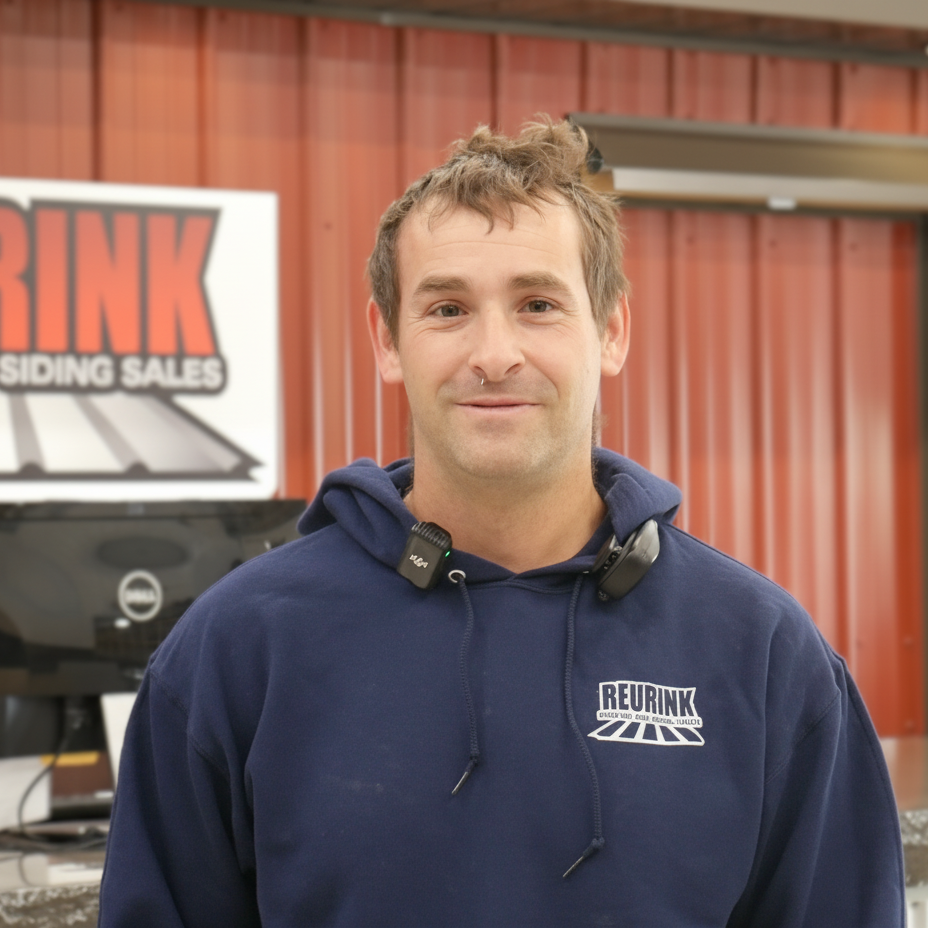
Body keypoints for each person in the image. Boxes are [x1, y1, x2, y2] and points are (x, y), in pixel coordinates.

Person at [99, 118, 904, 927]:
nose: (494, 354)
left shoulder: (762, 652)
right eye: (448, 308)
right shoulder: (238, 649)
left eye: (538, 304)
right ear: (388, 341)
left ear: (611, 331)